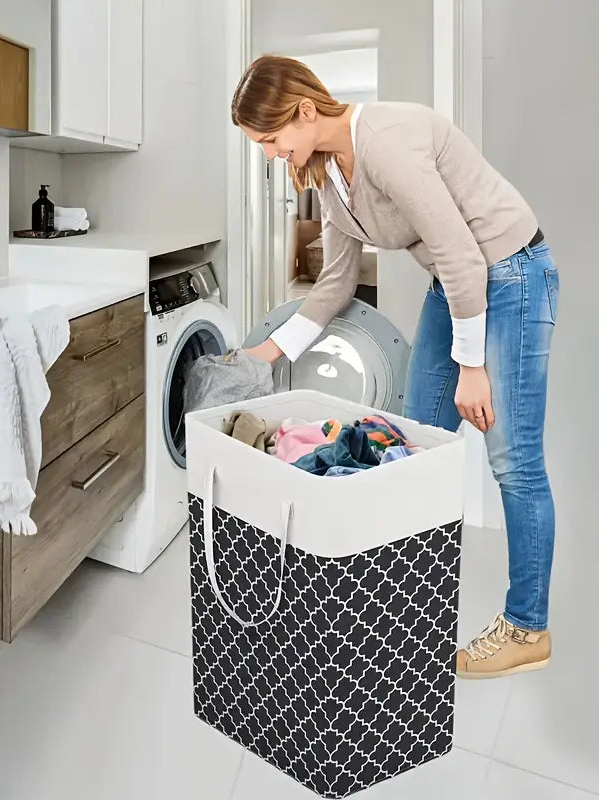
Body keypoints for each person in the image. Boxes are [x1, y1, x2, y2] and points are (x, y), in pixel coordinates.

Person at [232, 55, 559, 679]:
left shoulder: (384, 142)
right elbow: (334, 282)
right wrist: (264, 352)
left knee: (513, 459)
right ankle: (405, 602)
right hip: (456, 283)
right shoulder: (328, 175)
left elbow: (462, 252)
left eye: (272, 139)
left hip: (511, 272)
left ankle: (527, 626)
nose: (272, 153)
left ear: (304, 111)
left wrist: (471, 367)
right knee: (411, 437)